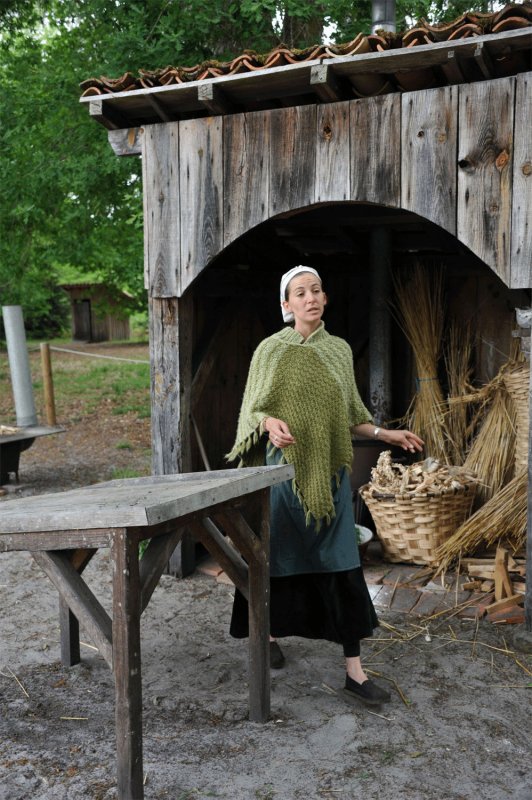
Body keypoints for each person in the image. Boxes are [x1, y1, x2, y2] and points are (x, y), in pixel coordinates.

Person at [227, 265, 424, 706]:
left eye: (316, 290)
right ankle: (269, 636)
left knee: (341, 569)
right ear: (286, 305)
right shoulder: (270, 351)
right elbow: (251, 412)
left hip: (330, 479)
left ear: (324, 298)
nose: (311, 297)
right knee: (277, 564)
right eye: (300, 292)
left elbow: (350, 415)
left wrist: (384, 434)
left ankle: (354, 674)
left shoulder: (337, 351)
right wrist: (268, 423)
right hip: (283, 479)